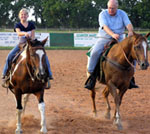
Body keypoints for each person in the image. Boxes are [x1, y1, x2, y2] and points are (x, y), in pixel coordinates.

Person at [85, 0, 139, 90]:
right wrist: (112, 34)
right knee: (94, 53)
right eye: (109, 8)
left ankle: (131, 78)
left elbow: (128, 24)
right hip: (104, 38)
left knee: (132, 52)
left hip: (120, 39)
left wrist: (130, 31)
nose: (110, 10)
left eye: (113, 8)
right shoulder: (102, 14)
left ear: (117, 8)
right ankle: (92, 77)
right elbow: (105, 27)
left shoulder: (122, 14)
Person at [1, 8, 53, 89]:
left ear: (27, 16)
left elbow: (33, 36)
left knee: (44, 57)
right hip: (21, 44)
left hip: (31, 44)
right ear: (19, 16)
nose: (23, 16)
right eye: (22, 15)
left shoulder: (31, 25)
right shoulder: (17, 25)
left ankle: (49, 74)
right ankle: (5, 74)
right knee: (10, 56)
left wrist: (31, 41)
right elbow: (18, 33)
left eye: (25, 14)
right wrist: (25, 33)